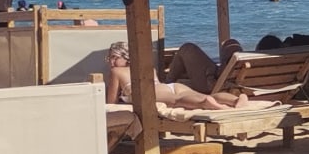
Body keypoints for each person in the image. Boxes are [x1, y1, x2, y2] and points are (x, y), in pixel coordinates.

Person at [103, 43, 259, 110]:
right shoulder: (147, 68)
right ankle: (237, 99)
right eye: (109, 58)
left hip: (152, 91)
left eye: (114, 57)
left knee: (177, 101)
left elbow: (111, 103)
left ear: (126, 57)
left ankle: (205, 104)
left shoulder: (116, 72)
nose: (111, 61)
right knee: (206, 95)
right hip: (171, 86)